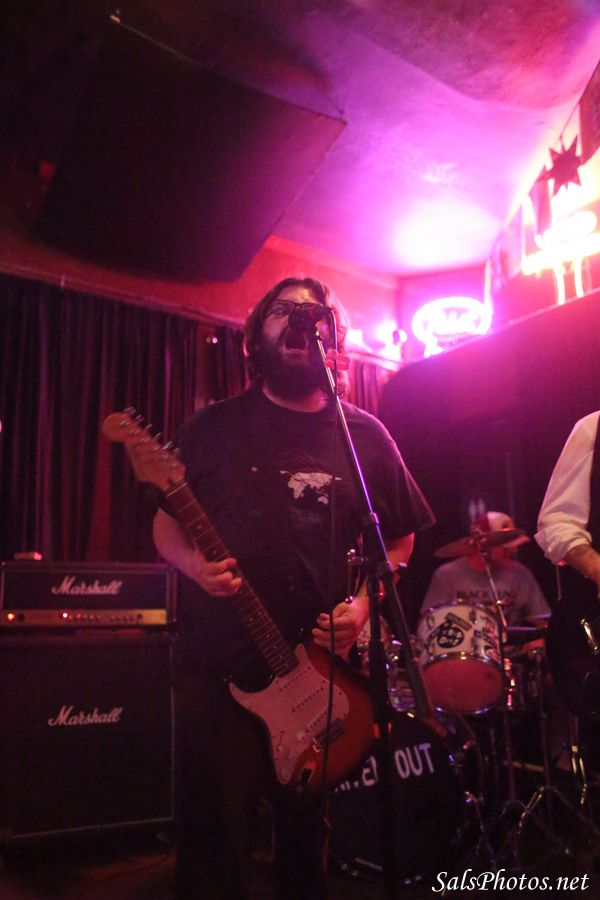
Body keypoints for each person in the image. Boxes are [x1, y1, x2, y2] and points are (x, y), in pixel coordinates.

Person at [142, 277, 434, 900]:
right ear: (256, 336)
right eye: (283, 310)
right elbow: (166, 526)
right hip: (215, 675)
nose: (301, 319)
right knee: (213, 855)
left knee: (305, 851)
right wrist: (193, 565)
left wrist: (364, 605)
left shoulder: (365, 437)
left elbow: (400, 538)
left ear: (333, 338)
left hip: (315, 677)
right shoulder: (211, 428)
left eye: (314, 312)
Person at [420, 510, 550, 627]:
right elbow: (428, 623)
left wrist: (538, 640)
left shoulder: (521, 574)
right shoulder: (447, 575)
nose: (514, 550)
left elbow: (541, 621)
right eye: (505, 547)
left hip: (513, 646)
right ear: (483, 546)